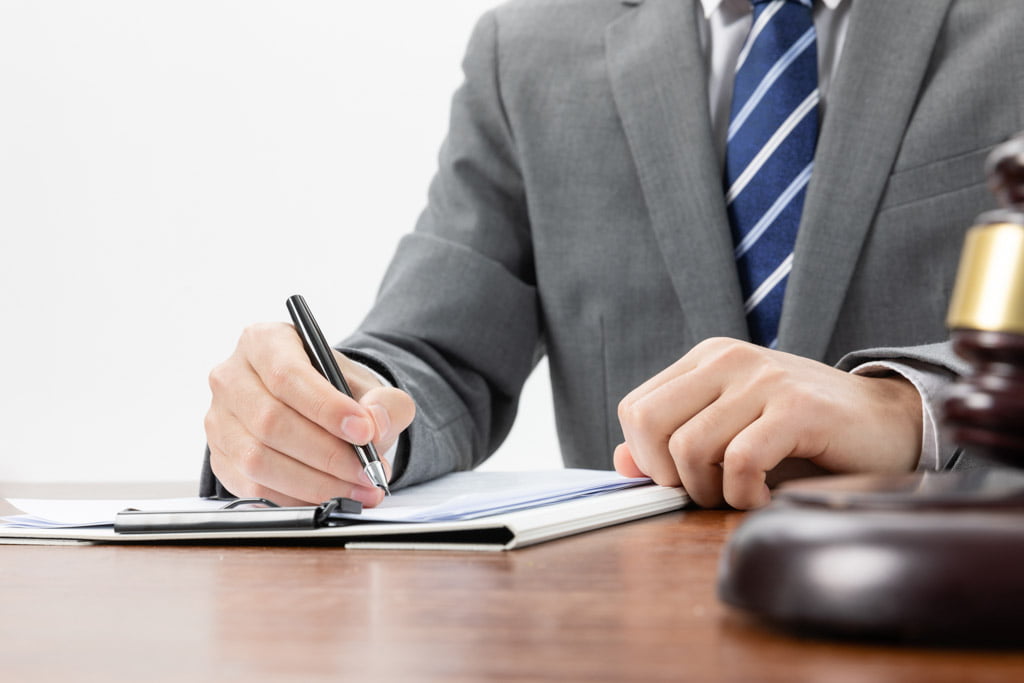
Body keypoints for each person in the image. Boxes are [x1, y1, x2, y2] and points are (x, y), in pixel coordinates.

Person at [201, 0, 1024, 509]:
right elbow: (434, 357)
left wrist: (905, 410)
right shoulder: (523, 55)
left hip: (954, 611)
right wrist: (336, 412)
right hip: (628, 617)